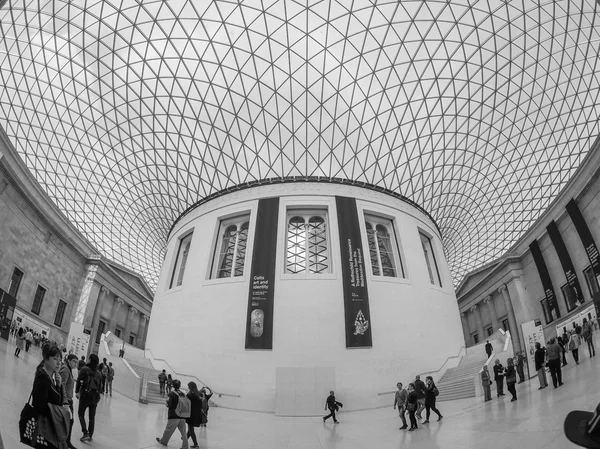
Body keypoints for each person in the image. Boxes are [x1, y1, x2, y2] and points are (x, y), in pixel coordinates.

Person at [31, 343, 71, 449]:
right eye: (55, 359)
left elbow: (57, 400)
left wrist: (58, 386)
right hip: (45, 429)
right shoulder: (43, 377)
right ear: (46, 359)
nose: (59, 363)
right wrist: (58, 413)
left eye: (60, 359)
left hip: (49, 428)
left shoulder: (50, 376)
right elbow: (39, 405)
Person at [76, 353, 102, 442]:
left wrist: (77, 391)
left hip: (85, 395)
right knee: (92, 417)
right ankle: (90, 435)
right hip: (95, 397)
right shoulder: (99, 373)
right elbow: (100, 387)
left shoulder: (84, 369)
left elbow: (79, 380)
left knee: (80, 414)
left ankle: (85, 432)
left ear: (90, 360)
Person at [156, 379, 190, 449]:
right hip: (182, 416)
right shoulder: (183, 393)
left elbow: (168, 404)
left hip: (174, 416)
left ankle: (163, 441)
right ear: (180, 385)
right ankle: (185, 446)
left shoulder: (171, 393)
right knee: (183, 433)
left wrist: (167, 404)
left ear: (172, 385)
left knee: (168, 430)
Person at [59, 353, 79, 449]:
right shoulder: (65, 369)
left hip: (69, 399)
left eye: (76, 362)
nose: (75, 364)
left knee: (70, 422)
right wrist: (65, 401)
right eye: (74, 361)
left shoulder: (69, 369)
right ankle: (65, 442)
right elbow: (62, 384)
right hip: (66, 400)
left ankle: (67, 442)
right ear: (69, 361)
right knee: (68, 421)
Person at [186, 382, 202, 448]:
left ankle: (196, 444)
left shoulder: (190, 395)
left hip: (191, 414)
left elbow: (186, 403)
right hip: (197, 414)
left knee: (191, 429)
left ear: (190, 387)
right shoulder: (198, 393)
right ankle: (185, 439)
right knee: (190, 428)